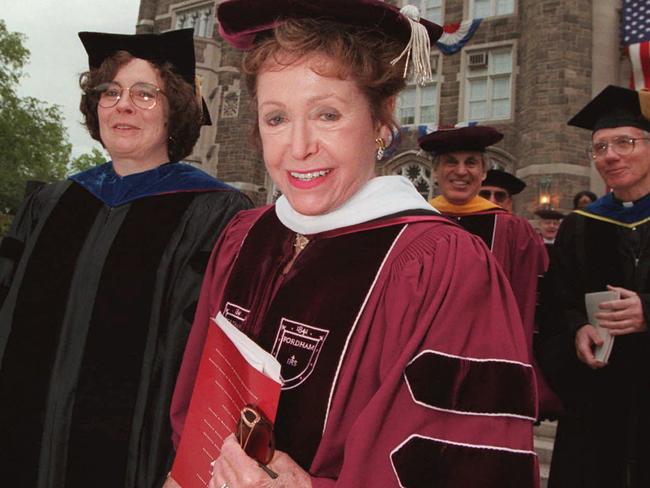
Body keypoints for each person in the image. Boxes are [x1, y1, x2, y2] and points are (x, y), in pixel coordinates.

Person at [168, 2, 539, 487]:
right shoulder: (245, 237)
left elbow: (468, 465)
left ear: (382, 124)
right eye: (276, 118)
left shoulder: (441, 265)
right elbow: (200, 397)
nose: (299, 147)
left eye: (327, 114)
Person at [0, 29, 251, 487]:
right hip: (21, 446)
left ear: (175, 109)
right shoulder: (51, 204)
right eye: (110, 92)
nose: (123, 104)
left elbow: (217, 355)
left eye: (145, 93)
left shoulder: (215, 213)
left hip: (142, 458)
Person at [538, 85, 650, 487]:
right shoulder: (581, 226)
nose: (611, 156)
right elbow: (556, 303)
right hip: (598, 400)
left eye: (625, 142)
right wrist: (576, 331)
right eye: (600, 147)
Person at [419, 125, 560, 420]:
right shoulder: (415, 223)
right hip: (422, 364)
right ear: (434, 172)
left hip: (492, 367)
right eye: (450, 162)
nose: (461, 171)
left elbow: (535, 303)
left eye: (471, 162)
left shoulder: (513, 231)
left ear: (483, 172)